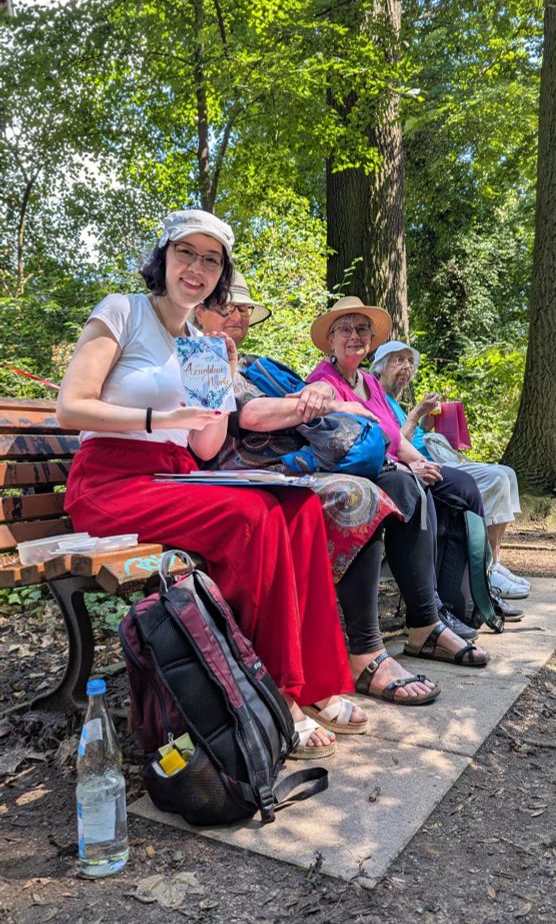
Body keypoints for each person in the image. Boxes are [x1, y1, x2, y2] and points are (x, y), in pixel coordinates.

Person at [56, 210, 367, 759]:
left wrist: (219, 382)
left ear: (219, 273)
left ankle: (311, 682)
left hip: (175, 475)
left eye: (211, 259)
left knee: (296, 507)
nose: (196, 267)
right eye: (186, 253)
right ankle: (274, 692)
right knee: (254, 518)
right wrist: (158, 422)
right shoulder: (122, 312)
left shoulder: (201, 340)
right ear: (164, 258)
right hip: (109, 483)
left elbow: (203, 447)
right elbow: (70, 407)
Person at [195, 285, 488, 708]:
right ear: (200, 309)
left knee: (404, 483)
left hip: (298, 463)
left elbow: (353, 423)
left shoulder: (259, 365)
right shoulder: (202, 361)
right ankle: (366, 652)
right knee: (358, 494)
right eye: (226, 308)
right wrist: (326, 403)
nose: (237, 316)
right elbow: (253, 417)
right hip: (256, 472)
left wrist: (325, 407)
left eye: (243, 309)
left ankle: (424, 623)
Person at [307, 296, 490, 685]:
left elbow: (393, 436)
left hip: (387, 469)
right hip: (343, 473)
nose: (354, 337)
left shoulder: (370, 382)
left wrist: (414, 461)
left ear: (371, 339)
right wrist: (406, 466)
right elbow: (333, 439)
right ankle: (414, 626)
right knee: (401, 491)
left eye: (361, 330)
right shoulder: (324, 380)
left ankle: (430, 620)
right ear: (330, 340)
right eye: (345, 330)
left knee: (425, 488)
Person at [371, 340, 529, 603]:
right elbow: (394, 445)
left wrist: (426, 423)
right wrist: (415, 415)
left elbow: (415, 436)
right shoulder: (377, 398)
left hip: (436, 455)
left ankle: (493, 561)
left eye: (409, 362)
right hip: (422, 466)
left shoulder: (395, 401)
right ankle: (484, 570)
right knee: (497, 478)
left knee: (508, 473)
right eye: (398, 360)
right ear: (379, 368)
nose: (406, 367)